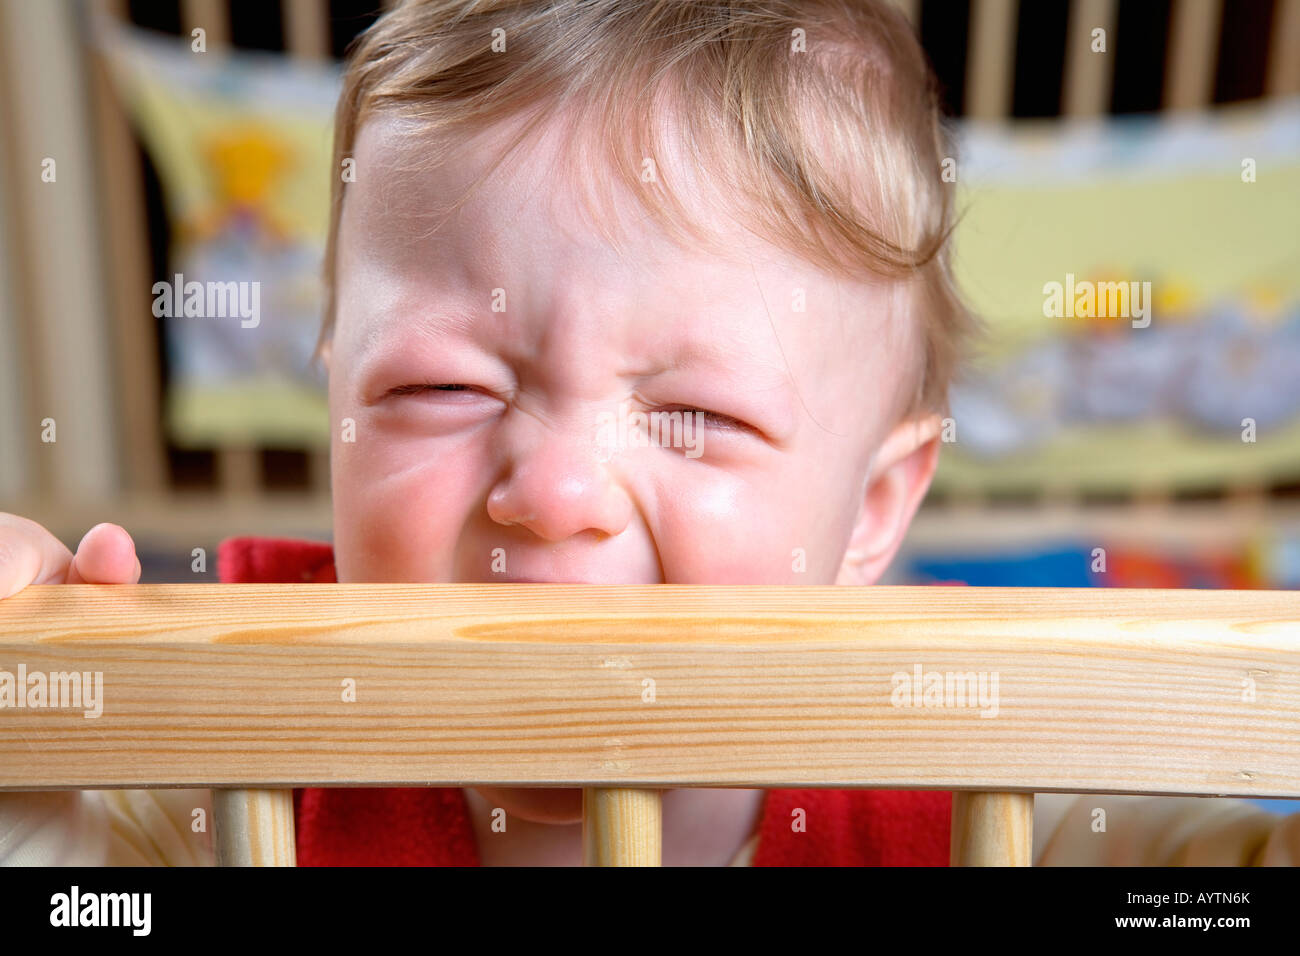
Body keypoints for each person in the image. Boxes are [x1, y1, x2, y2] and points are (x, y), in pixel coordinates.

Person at [1, 0, 1295, 865]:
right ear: (335, 400)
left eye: (696, 413)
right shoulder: (242, 731)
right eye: (440, 391)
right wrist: (35, 773)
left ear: (875, 514)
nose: (555, 492)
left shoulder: (965, 755)